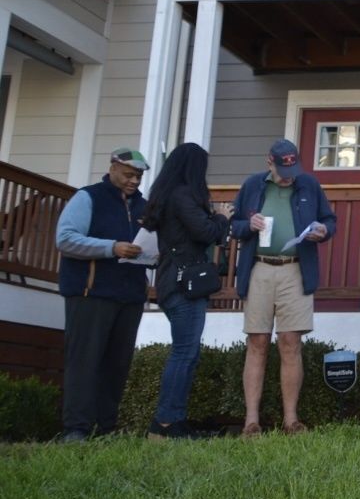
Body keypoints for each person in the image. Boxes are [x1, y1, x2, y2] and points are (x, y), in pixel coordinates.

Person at [231, 139, 337, 436]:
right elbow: (234, 226)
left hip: (295, 269)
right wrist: (247, 225)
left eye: (292, 167)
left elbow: (330, 220)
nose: (288, 174)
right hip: (260, 268)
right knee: (257, 343)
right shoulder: (253, 185)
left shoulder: (309, 185)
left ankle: (291, 420)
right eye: (282, 167)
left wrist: (323, 230)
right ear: (269, 162)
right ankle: (251, 421)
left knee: (291, 344)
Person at [53, 148, 151, 441]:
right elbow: (66, 239)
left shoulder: (143, 207)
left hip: (129, 295)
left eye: (139, 176)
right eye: (129, 174)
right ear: (113, 168)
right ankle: (76, 428)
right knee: (84, 360)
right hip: (90, 292)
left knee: (117, 364)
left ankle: (106, 427)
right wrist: (112, 248)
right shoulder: (88, 197)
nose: (134, 180)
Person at [142, 144, 233, 440]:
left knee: (187, 353)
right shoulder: (183, 195)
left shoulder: (168, 195)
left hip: (172, 283)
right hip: (184, 286)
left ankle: (173, 420)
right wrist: (221, 216)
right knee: (184, 353)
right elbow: (206, 233)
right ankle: (166, 423)